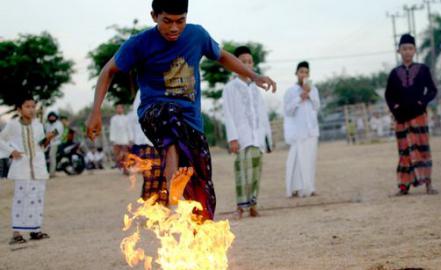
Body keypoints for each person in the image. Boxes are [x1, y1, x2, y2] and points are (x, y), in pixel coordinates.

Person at [85, 0, 276, 220]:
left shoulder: (197, 35)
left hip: (191, 121)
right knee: (170, 116)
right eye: (167, 21)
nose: (174, 28)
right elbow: (108, 71)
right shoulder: (140, 43)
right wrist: (95, 111)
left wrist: (254, 75)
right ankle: (172, 189)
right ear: (154, 16)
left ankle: (200, 236)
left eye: (180, 21)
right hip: (154, 114)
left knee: (202, 189)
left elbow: (222, 56)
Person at [223, 46, 273, 219]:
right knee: (241, 172)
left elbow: (262, 114)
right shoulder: (230, 88)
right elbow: (228, 114)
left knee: (256, 172)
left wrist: (267, 138)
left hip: (257, 137)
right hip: (242, 137)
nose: (247, 64)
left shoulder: (255, 88)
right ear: (235, 64)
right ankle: (240, 207)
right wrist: (233, 138)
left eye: (250, 61)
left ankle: (253, 205)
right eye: (242, 62)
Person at [385, 34, 438, 196]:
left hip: (418, 116)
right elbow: (389, 95)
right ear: (399, 51)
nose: (407, 52)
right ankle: (403, 186)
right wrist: (396, 109)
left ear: (415, 50)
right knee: (404, 151)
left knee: (422, 149)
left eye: (410, 48)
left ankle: (428, 184)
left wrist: (422, 102)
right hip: (401, 118)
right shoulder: (394, 74)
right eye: (404, 49)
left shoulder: (423, 70)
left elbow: (432, 90)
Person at [0, 96, 52, 245]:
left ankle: (35, 230)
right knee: (21, 198)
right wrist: (11, 151)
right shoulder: (13, 125)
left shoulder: (38, 125)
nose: (31, 109)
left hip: (38, 167)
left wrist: (47, 139)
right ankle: (16, 233)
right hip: (21, 167)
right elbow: (1, 139)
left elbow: (41, 146)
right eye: (27, 106)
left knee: (37, 198)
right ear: (19, 109)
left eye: (33, 106)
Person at [284, 61, 320, 198]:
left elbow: (317, 106)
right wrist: (300, 97)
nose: (303, 74)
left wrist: (309, 94)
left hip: (312, 130)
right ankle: (296, 188)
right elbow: (288, 111)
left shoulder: (314, 89)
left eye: (306, 72)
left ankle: (309, 188)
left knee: (310, 160)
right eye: (301, 72)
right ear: (296, 74)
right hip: (298, 132)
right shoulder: (291, 91)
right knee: (298, 161)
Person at [128, 90, 168, 205]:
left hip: (165, 141)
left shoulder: (166, 87)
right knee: (151, 177)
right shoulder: (142, 91)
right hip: (147, 142)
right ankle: (149, 208)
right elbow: (137, 117)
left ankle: (164, 208)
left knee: (164, 176)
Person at [109, 102, 131, 173]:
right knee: (118, 155)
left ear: (123, 109)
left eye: (120, 108)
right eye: (117, 108)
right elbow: (112, 129)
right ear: (116, 109)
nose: (119, 109)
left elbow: (129, 129)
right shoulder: (113, 119)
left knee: (125, 155)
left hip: (125, 139)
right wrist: (112, 139)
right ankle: (121, 167)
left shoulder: (126, 118)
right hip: (116, 139)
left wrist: (130, 139)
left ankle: (126, 169)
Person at [44, 112, 63, 177]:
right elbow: (44, 133)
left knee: (51, 156)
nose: (51, 118)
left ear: (56, 117)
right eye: (50, 117)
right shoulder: (47, 124)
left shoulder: (59, 124)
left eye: (53, 117)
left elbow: (55, 133)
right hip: (47, 143)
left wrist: (48, 137)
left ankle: (52, 173)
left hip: (55, 143)